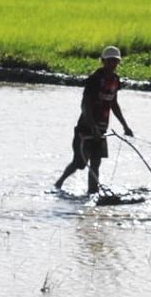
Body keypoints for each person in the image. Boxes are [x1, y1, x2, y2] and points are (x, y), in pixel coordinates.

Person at [55, 45, 134, 194]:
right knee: (80, 163)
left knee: (96, 164)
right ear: (103, 61)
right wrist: (93, 127)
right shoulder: (94, 80)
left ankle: (93, 193)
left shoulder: (116, 80)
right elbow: (85, 106)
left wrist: (125, 126)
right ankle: (59, 183)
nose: (113, 64)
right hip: (85, 128)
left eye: (115, 61)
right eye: (110, 61)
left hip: (102, 128)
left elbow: (113, 103)